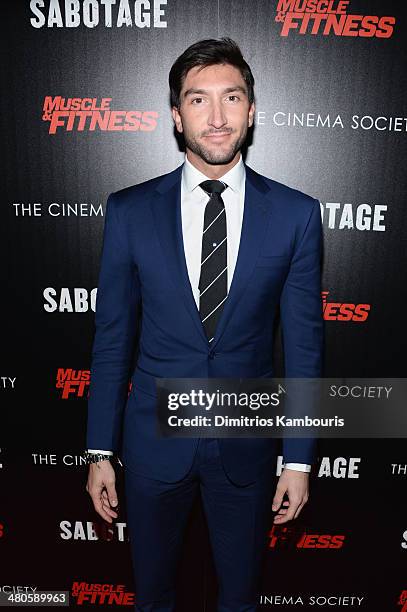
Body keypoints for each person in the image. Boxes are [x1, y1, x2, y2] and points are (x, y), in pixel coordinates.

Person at [85, 37, 324, 612]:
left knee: (240, 598)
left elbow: (305, 347)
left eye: (231, 98)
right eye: (198, 101)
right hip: (151, 449)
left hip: (245, 448)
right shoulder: (129, 210)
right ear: (176, 115)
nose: (216, 118)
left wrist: (297, 459)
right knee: (152, 598)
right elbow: (113, 339)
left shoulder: (296, 213)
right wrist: (99, 450)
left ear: (252, 109)